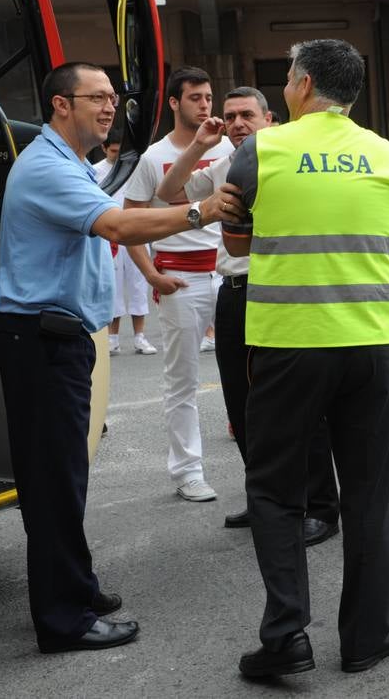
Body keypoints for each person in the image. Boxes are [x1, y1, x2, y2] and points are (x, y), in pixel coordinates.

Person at [0, 61, 242, 653]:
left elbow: (137, 197)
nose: (110, 107)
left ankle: (72, 586)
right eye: (96, 97)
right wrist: (200, 213)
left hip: (57, 337)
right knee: (54, 480)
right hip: (43, 340)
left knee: (64, 476)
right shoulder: (48, 168)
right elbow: (120, 225)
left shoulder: (71, 162)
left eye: (112, 97)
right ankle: (62, 619)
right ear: (60, 105)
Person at [223, 40, 389, 679]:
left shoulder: (262, 149)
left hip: (290, 343)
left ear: (300, 84)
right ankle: (365, 636)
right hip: (373, 343)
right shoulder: (384, 151)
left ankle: (286, 638)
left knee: (275, 490)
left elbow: (234, 229)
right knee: (368, 493)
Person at [155, 86, 340, 546]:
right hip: (234, 292)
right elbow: (167, 192)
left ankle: (321, 506)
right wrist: (199, 143)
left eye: (247, 116)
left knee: (300, 405)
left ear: (270, 119)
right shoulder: (224, 164)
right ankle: (269, 500)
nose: (237, 124)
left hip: (283, 291)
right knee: (242, 405)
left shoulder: (292, 160)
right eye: (230, 116)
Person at [123, 67, 233, 502]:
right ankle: (187, 470)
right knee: (182, 379)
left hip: (229, 273)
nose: (205, 105)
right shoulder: (153, 157)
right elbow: (128, 223)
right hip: (180, 278)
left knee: (250, 372)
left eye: (209, 97)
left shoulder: (227, 147)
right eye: (195, 98)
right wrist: (151, 274)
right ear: (173, 102)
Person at [92, 130, 157, 356]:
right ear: (104, 148)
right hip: (110, 237)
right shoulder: (95, 171)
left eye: (121, 152)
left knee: (139, 284)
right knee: (115, 285)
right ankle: (113, 337)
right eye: (113, 151)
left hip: (136, 233)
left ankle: (140, 337)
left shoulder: (135, 167)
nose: (118, 156)